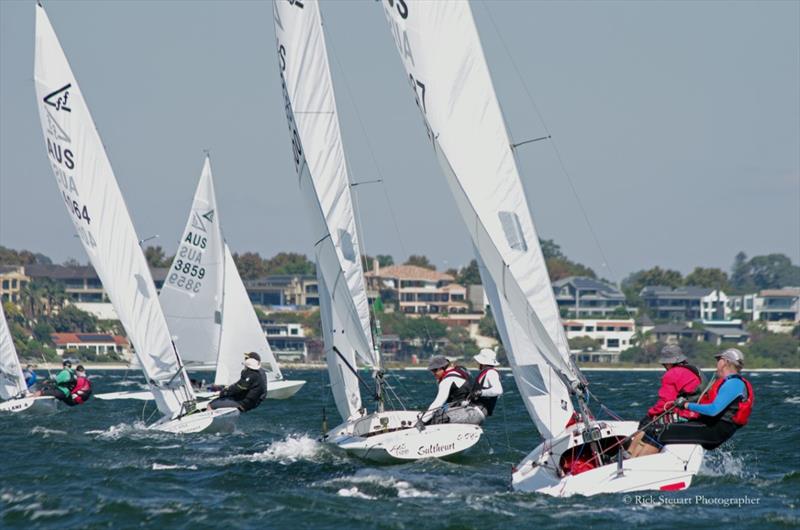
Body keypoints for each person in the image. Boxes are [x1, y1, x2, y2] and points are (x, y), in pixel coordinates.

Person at [640, 348, 753, 452]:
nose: (717, 363)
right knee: (655, 429)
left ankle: (638, 467)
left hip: (714, 431)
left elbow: (713, 410)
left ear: (725, 362)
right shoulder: (730, 382)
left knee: (656, 431)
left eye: (719, 360)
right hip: (710, 427)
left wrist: (686, 405)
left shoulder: (734, 383)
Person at [629, 344, 705, 457]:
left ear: (669, 362)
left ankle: (633, 457)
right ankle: (631, 454)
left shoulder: (672, 374)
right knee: (650, 424)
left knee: (648, 426)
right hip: (699, 415)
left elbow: (665, 404)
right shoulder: (695, 371)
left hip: (685, 415)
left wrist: (650, 415)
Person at [421, 355, 484, 426]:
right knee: (433, 415)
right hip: (473, 412)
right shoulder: (459, 370)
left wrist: (422, 421)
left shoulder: (448, 380)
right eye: (431, 371)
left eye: (434, 370)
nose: (433, 374)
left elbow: (438, 403)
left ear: (443, 368)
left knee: (436, 418)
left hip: (471, 413)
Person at [469, 349, 503, 418]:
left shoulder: (491, 373)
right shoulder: (487, 372)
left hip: (479, 410)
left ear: (482, 363)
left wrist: (480, 392)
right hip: (476, 409)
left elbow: (498, 390)